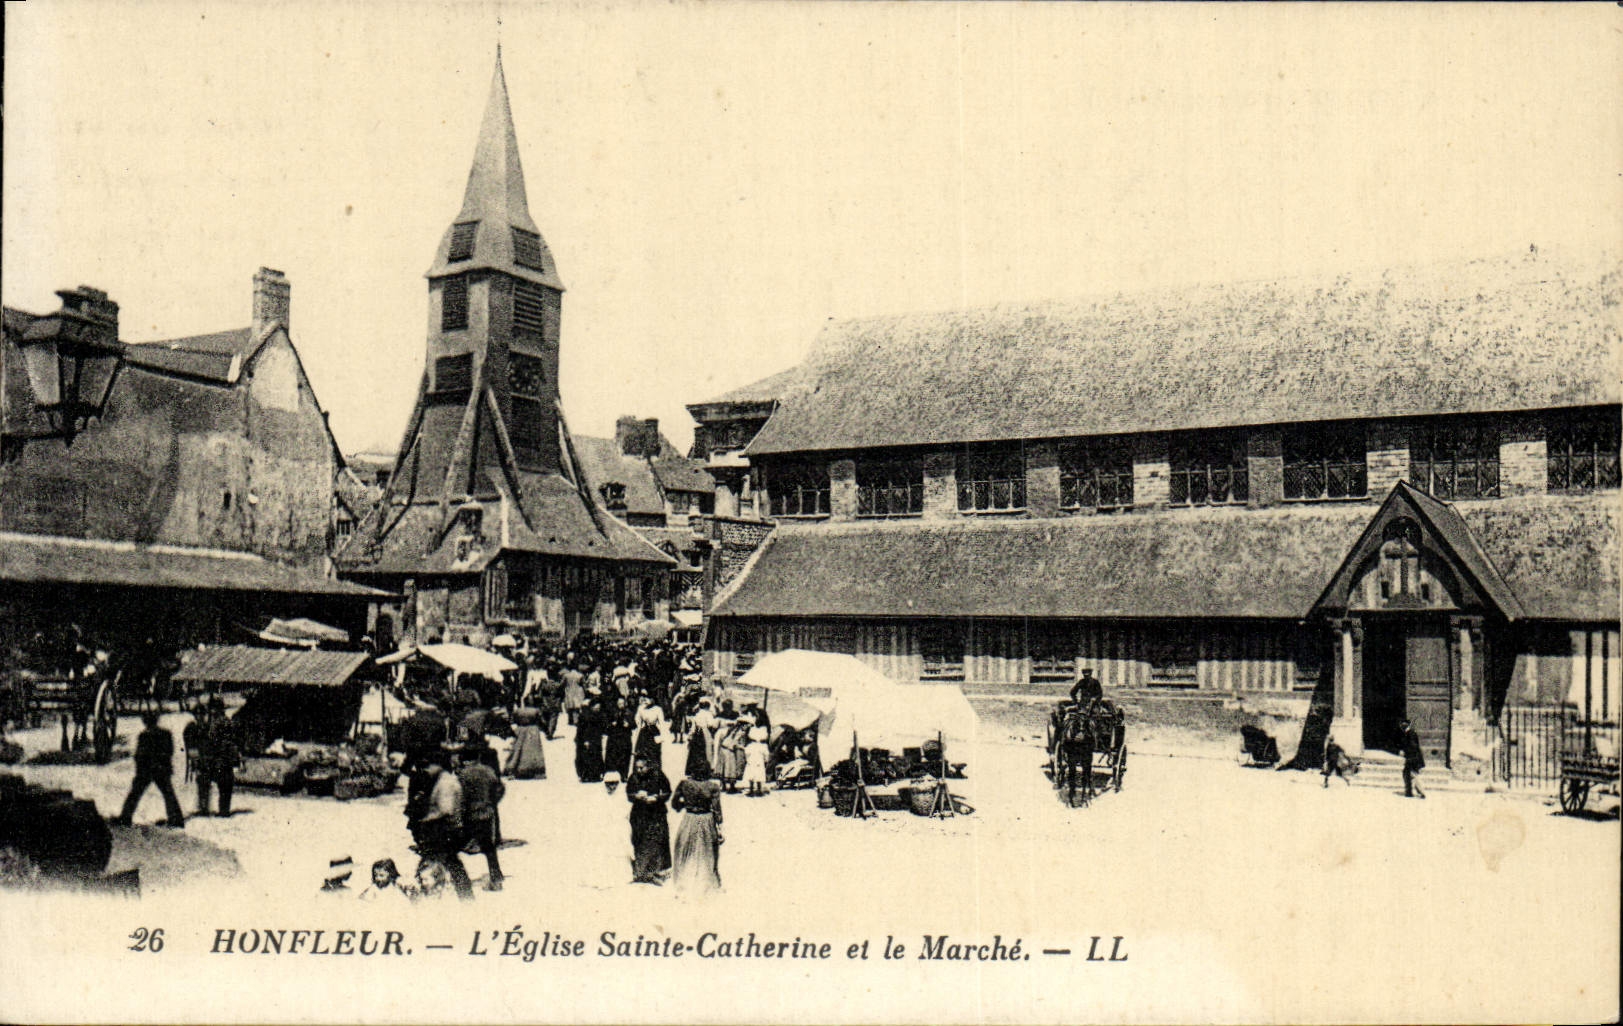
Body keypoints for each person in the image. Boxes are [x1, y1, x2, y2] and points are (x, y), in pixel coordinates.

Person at [416, 754, 474, 899]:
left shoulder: (446, 783)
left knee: (444, 863)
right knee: (451, 863)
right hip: (448, 829)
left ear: (438, 765)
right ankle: (465, 895)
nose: (426, 770)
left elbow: (445, 810)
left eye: (428, 766)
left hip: (444, 830)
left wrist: (425, 819)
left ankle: (426, 895)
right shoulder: (444, 780)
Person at [114, 711, 186, 828]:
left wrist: (139, 773)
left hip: (146, 771)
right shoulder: (165, 734)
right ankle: (176, 819)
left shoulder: (144, 736)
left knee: (135, 794)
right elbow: (170, 751)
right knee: (168, 795)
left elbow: (139, 756)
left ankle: (125, 818)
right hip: (161, 769)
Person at [670, 741, 723, 896]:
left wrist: (683, 806)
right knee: (707, 851)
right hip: (706, 819)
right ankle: (706, 883)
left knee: (685, 849)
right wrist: (719, 826)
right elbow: (717, 809)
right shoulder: (713, 786)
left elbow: (674, 803)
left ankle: (685, 881)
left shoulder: (684, 784)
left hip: (690, 818)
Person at [458, 748, 506, 891]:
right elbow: (500, 788)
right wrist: (493, 802)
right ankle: (496, 875)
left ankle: (458, 879)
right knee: (489, 847)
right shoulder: (488, 770)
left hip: (470, 814)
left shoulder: (463, 775)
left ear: (464, 760)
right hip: (486, 812)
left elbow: (460, 796)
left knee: (457, 845)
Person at [627, 754, 672, 884]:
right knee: (640, 841)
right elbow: (629, 794)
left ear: (649, 766)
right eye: (637, 768)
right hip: (639, 814)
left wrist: (657, 798)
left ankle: (656, 872)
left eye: (642, 767)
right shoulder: (633, 777)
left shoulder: (658, 775)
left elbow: (668, 791)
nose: (639, 770)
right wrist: (636, 796)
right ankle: (640, 872)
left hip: (656, 813)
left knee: (656, 841)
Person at [195, 698, 239, 817]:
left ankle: (204, 808)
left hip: (218, 759)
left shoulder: (215, 723)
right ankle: (224, 810)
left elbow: (212, 741)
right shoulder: (228, 721)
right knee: (226, 786)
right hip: (228, 758)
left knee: (204, 780)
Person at [505, 706, 548, 780]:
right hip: (533, 731)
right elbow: (542, 721)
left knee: (517, 750)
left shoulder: (517, 711)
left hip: (520, 730)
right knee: (534, 750)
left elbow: (512, 720)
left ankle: (512, 769)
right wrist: (546, 730)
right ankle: (537, 770)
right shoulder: (536, 710)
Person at [1400, 718, 1426, 799]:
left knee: (1414, 775)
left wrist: (1406, 753)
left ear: (1407, 725)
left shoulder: (1410, 733)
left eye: (1403, 724)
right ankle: (1409, 792)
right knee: (1407, 774)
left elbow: (1413, 747)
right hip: (1412, 757)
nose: (1402, 726)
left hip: (1413, 758)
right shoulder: (1408, 733)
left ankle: (1421, 792)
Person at [743, 724, 770, 797]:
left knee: (751, 775)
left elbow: (746, 753)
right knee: (759, 775)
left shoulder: (750, 745)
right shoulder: (763, 746)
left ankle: (751, 789)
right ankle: (758, 790)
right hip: (759, 761)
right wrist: (766, 760)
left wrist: (747, 760)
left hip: (751, 761)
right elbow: (766, 754)